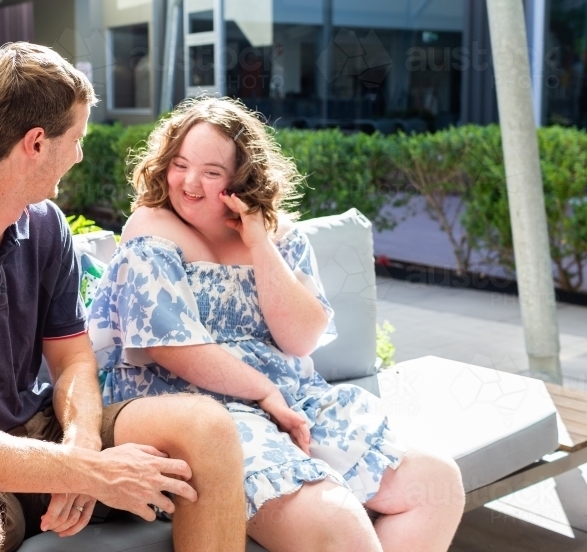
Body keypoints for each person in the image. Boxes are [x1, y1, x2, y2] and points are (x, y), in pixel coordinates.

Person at [0, 44, 246, 552]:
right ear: (36, 143)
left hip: (41, 433)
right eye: (76, 138)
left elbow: (72, 359)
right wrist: (86, 470)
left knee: (206, 427)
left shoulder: (44, 226)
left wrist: (80, 444)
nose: (80, 154)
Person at [88, 96, 465, 552]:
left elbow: (300, 338)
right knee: (338, 524)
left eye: (211, 172)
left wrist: (258, 242)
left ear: (241, 180)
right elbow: (172, 346)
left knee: (436, 484)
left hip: (292, 401)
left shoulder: (278, 235)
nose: (188, 183)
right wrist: (263, 392)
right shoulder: (150, 228)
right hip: (195, 409)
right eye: (180, 164)